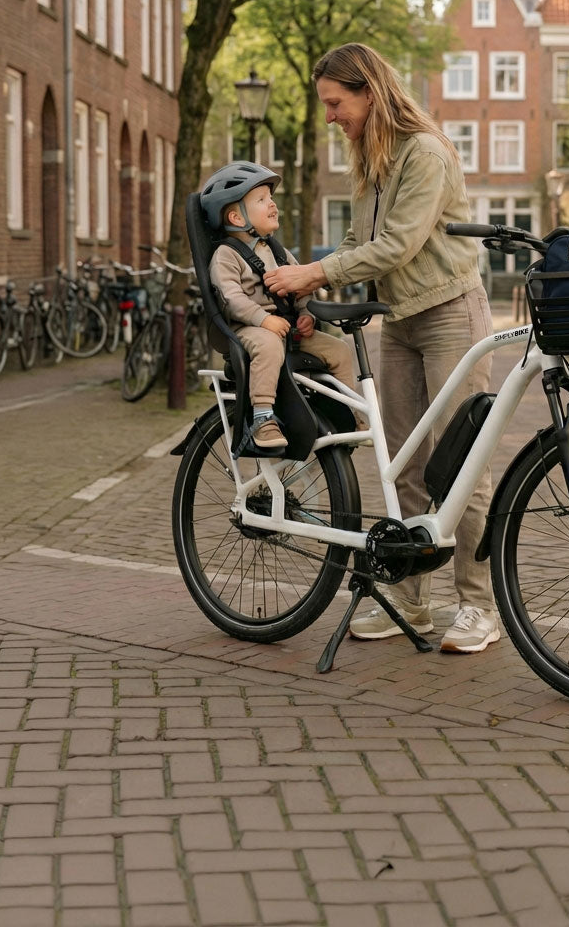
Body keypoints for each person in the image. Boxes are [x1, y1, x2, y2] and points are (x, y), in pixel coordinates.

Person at [263, 42, 498, 655]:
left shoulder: (425, 152)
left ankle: (478, 607)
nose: (330, 116)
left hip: (449, 311)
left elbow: (397, 245)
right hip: (398, 320)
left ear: (368, 90)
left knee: (462, 463)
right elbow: (356, 237)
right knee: (405, 462)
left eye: (337, 103)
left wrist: (315, 274)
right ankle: (413, 602)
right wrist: (317, 298)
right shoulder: (368, 155)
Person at [201, 161, 359, 452]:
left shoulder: (277, 250)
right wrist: (263, 320)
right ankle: (262, 418)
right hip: (246, 328)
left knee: (339, 350)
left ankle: (346, 414)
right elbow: (231, 298)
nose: (272, 204)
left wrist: (306, 314)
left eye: (271, 198)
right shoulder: (226, 255)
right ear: (236, 217)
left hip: (285, 327)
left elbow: (299, 288)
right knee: (268, 344)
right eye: (261, 200)